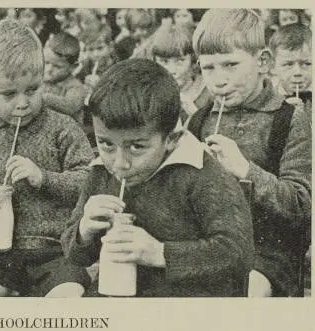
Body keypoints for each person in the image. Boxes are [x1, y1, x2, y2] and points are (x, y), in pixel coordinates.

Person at [63, 58, 254, 297]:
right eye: (106, 144)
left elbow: (238, 253)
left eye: (136, 147)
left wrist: (159, 253)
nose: (119, 163)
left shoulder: (201, 174)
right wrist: (84, 230)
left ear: (171, 139)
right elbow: (75, 255)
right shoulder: (101, 172)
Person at [0, 19, 92, 297]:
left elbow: (89, 179)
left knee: (68, 299)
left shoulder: (62, 128)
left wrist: (44, 178)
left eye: (32, 90)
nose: (23, 102)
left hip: (56, 251)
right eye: (9, 94)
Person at [186, 9, 311, 297]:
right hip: (209, 241)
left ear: (263, 62)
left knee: (248, 290)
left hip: (267, 251)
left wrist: (244, 169)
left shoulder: (288, 119)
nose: (218, 80)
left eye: (230, 65)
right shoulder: (199, 120)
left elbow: (303, 207)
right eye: (208, 68)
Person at [149, 24, 212, 121]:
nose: (172, 70)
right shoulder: (149, 92)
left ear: (193, 60)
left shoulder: (209, 93)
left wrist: (196, 116)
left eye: (180, 61)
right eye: (164, 61)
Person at [41, 32, 89, 124]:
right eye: (46, 62)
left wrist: (45, 97)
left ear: (73, 67)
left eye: (57, 66)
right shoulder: (40, 80)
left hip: (68, 131)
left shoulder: (74, 85)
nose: (49, 69)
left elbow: (71, 106)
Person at [269, 23, 312, 114]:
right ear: (272, 66)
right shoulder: (267, 101)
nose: (297, 72)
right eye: (288, 64)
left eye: (306, 63)